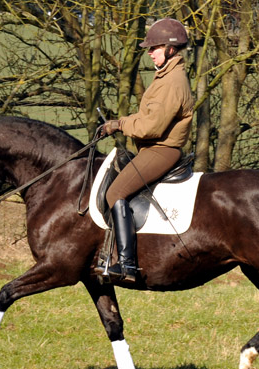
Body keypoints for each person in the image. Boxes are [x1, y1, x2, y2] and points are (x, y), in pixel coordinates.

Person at [98, 18, 194, 282]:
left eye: (155, 47)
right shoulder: (164, 76)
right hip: (153, 148)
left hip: (161, 149)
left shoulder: (173, 81)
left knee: (116, 191)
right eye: (149, 48)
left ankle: (127, 265)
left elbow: (151, 126)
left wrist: (120, 124)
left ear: (171, 49)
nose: (150, 52)